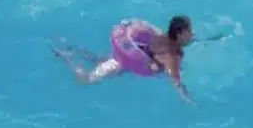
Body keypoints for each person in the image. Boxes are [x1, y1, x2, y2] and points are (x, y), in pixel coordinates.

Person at [54, 15, 194, 100]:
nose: (191, 34)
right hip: (124, 62)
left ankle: (73, 49)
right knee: (86, 79)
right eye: (189, 31)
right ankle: (67, 58)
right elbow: (175, 82)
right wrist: (189, 101)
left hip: (132, 52)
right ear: (180, 34)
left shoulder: (163, 37)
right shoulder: (170, 56)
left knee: (99, 60)